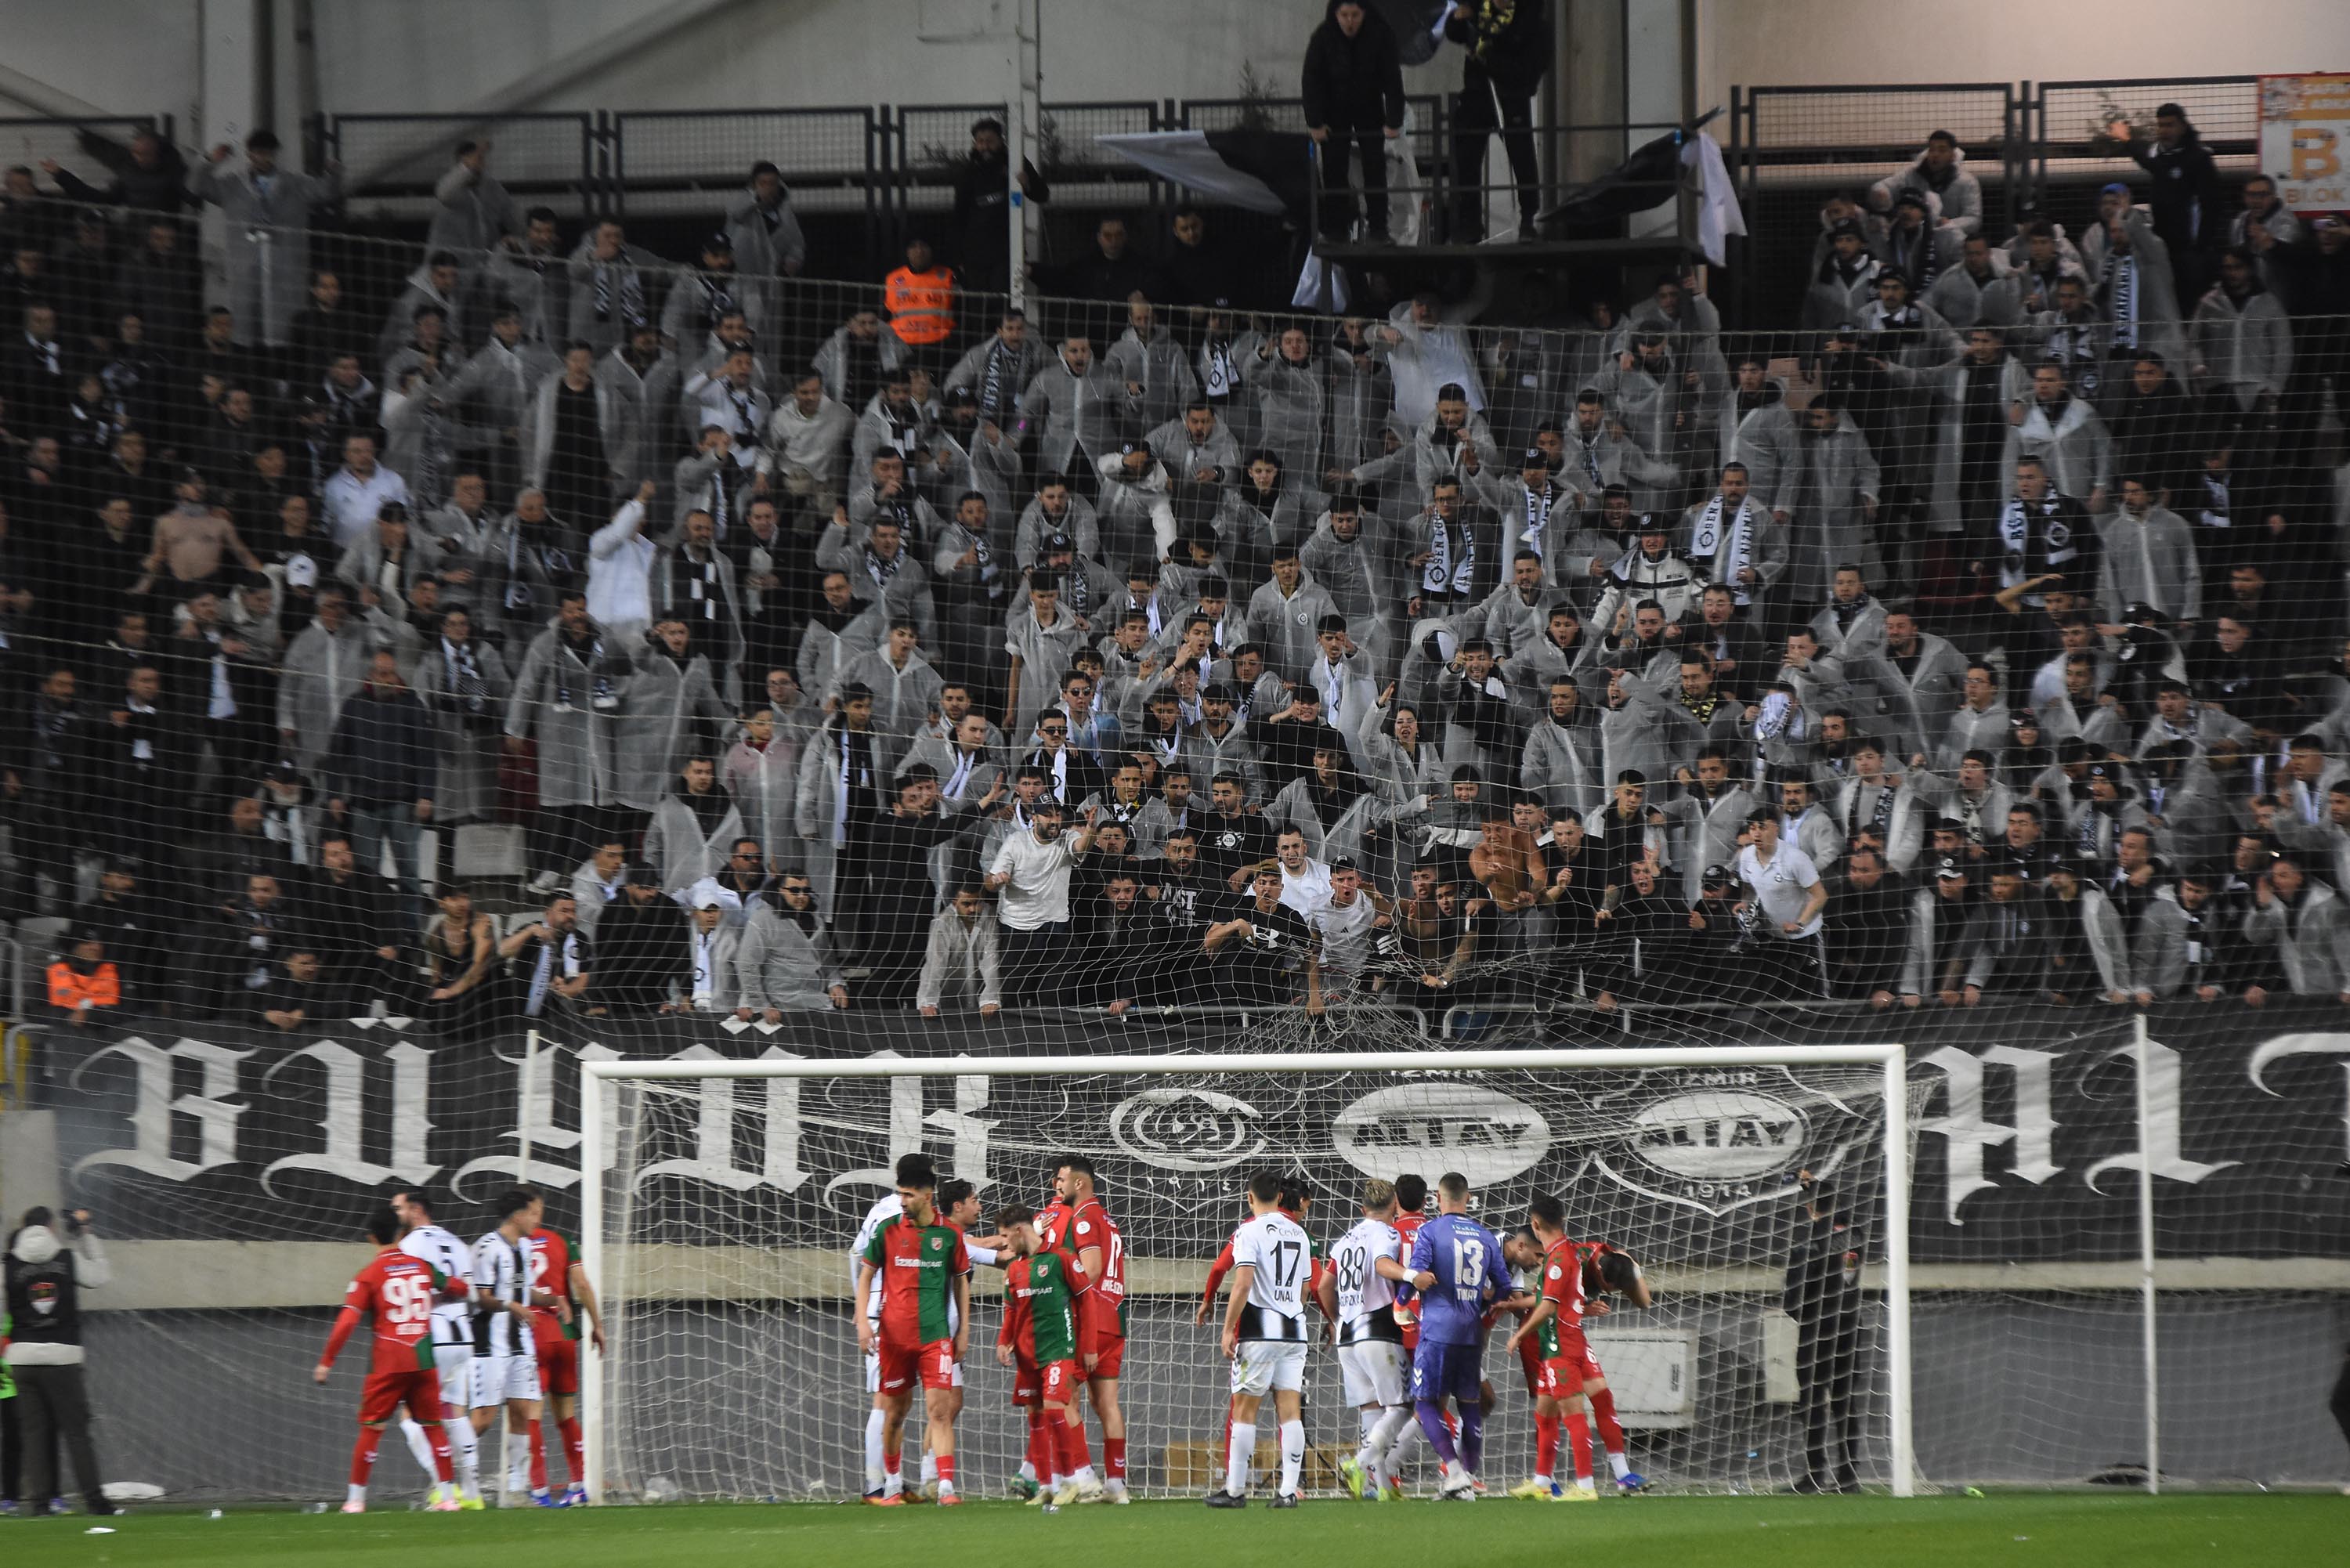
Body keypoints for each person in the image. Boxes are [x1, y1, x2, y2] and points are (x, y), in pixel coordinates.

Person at [855, 1157, 971, 1505]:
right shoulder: (887, 1230)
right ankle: (891, 1483)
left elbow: (962, 1281)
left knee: (940, 1410)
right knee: (895, 1413)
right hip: (893, 1338)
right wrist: (862, 1321)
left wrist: (964, 1330)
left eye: (908, 1195)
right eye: (900, 1194)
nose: (902, 1201)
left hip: (935, 1337)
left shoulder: (949, 1235)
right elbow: (865, 1276)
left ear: (927, 1195)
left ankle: (946, 1487)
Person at [1207, 1171, 1315, 1508]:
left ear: (1249, 1198)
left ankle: (1236, 1490)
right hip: (1295, 1331)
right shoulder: (1300, 1232)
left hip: (1259, 1330)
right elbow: (1307, 1288)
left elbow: (1242, 1284)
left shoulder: (1248, 1231)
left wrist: (1228, 1328)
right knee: (1290, 1410)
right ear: (1280, 1198)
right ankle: (1288, 1493)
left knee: (1244, 1408)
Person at [2, 1208, 114, 1517]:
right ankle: (95, 1501)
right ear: (51, 1229)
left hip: (23, 1359)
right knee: (77, 1433)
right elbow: (101, 1276)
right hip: (63, 1357)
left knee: (33, 1434)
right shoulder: (67, 1258)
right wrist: (86, 1234)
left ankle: (39, 1504)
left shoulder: (9, 1265)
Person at [385, 1187, 487, 1508]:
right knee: (455, 1415)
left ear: (416, 1211)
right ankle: (472, 1494)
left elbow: (412, 1291)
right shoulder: (456, 1243)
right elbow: (472, 1293)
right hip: (462, 1338)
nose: (394, 1215)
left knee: (411, 1416)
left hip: (434, 1336)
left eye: (398, 1209)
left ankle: (445, 1487)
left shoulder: (409, 1245)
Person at [1405, 1170, 1505, 1499]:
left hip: (1437, 1328)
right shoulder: (1486, 1237)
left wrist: (1402, 1301)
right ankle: (1469, 1480)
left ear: (1437, 1196)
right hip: (1471, 1331)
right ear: (1468, 1198)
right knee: (1470, 1406)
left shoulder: (1430, 1231)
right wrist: (1486, 1301)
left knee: (1426, 1401)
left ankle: (1456, 1472)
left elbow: (1417, 1274)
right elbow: (1504, 1287)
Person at [993, 1203, 1098, 1512]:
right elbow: (1012, 1310)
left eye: (1004, 1236)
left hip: (1058, 1349)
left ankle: (1071, 1481)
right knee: (1035, 1418)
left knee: (1055, 1411)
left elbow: (1087, 1300)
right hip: (1027, 1356)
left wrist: (1089, 1347)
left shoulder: (1062, 1257)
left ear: (1020, 1230)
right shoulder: (1015, 1269)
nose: (1003, 1243)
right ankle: (1045, 1486)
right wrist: (1004, 1341)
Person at [1042, 1154, 1130, 1502]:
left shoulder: (1082, 1216)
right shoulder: (1108, 1218)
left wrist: (1058, 1287)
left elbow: (1090, 1269)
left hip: (1087, 1320)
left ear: (1079, 1183)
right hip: (1114, 1317)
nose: (1057, 1185)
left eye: (1062, 1179)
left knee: (1061, 1395)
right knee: (1106, 1403)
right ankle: (1117, 1484)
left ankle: (1083, 1475)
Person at [1325, 1178, 1417, 1501]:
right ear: (1394, 1205)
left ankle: (1380, 1488)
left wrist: (1335, 1319)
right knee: (1404, 1406)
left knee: (1371, 1410)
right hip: (1377, 1329)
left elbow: (1324, 1283)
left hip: (1346, 1336)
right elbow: (1383, 1265)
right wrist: (1410, 1275)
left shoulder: (1346, 1238)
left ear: (1363, 1208)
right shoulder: (1387, 1233)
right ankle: (1359, 1464)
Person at [470, 1187, 555, 1507]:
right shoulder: (486, 1248)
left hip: (521, 1343)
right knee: (483, 1419)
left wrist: (552, 1300)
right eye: (535, 1212)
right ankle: (447, 1481)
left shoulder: (526, 1247)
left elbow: (522, 1291)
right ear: (517, 1215)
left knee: (522, 1413)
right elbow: (480, 1296)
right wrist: (513, 1307)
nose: (539, 1218)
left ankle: (516, 1489)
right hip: (490, 1345)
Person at [1784, 1169, 1865, 1493]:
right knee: (1845, 1403)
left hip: (1816, 1331)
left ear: (1809, 1209)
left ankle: (1815, 1476)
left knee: (1813, 1402)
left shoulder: (1809, 1245)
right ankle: (1849, 1477)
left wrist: (1799, 1313)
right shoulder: (1854, 1235)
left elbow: (1793, 1299)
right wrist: (1818, 1187)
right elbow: (1841, 1219)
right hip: (1849, 1330)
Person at [1301, 1, 1406, 240]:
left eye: (1355, 15)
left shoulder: (1380, 34)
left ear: (1364, 13)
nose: (1349, 21)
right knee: (1334, 170)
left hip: (1369, 107)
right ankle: (1337, 231)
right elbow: (1311, 79)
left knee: (1375, 168)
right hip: (1333, 111)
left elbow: (1392, 79)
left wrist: (1393, 120)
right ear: (1335, 14)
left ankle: (1379, 230)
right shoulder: (1323, 36)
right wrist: (1315, 122)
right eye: (1344, 15)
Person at [984, 798, 1100, 1006]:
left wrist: (1091, 828)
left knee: (1053, 998)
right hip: (1018, 929)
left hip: (1056, 929)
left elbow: (1081, 846)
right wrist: (996, 880)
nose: (1054, 820)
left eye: (1057, 814)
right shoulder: (1016, 842)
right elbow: (990, 883)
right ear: (1034, 817)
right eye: (1048, 815)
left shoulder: (1067, 838)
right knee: (1013, 997)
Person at [524, 1212, 605, 1510]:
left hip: (532, 1335)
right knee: (566, 1415)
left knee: (531, 1415)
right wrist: (597, 1324)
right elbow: (581, 1284)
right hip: (564, 1335)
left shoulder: (511, 1243)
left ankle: (539, 1490)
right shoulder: (562, 1241)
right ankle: (578, 1485)